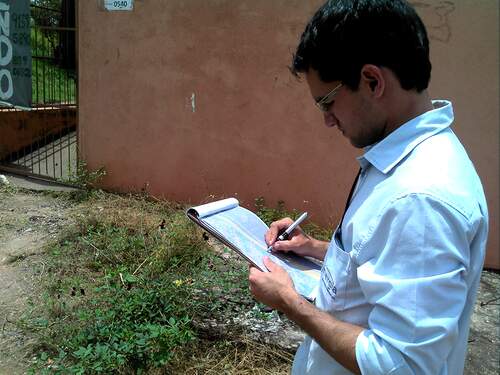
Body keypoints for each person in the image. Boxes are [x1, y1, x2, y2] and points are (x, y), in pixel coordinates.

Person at [248, 1, 489, 374]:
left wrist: (289, 302)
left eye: (327, 101)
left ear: (372, 81)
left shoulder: (420, 197)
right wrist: (315, 249)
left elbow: (402, 364)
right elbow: (385, 257)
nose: (328, 120)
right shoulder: (401, 159)